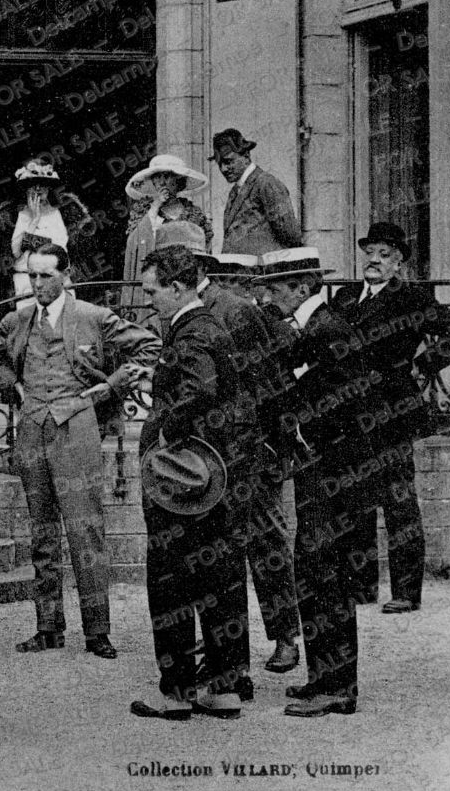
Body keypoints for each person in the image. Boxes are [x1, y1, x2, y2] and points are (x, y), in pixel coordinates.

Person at [0, 244, 159, 658]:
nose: (36, 284)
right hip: (32, 433)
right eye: (31, 276)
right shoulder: (19, 320)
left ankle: (97, 632)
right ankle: (48, 627)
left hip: (77, 429)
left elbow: (148, 346)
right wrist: (16, 387)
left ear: (66, 276)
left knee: (85, 531)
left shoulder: (92, 317)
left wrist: (110, 386)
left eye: (44, 276)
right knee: (41, 532)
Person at [156, 223, 303, 682]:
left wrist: (269, 441)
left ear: (194, 263)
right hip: (203, 459)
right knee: (212, 554)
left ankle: (284, 636)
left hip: (244, 450)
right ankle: (220, 656)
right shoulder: (176, 307)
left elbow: (271, 375)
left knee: (264, 541)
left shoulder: (234, 308)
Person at [128, 245, 256, 721]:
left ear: (177, 287)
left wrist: (166, 433)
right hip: (214, 476)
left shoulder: (193, 332)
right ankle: (222, 689)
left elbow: (199, 389)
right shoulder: (209, 327)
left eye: (152, 290)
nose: (148, 300)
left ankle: (177, 691)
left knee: (169, 580)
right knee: (218, 577)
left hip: (186, 481)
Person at [258, 247, 375, 718]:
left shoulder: (328, 330)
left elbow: (346, 404)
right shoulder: (315, 329)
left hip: (336, 470)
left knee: (326, 573)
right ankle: (322, 677)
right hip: (321, 468)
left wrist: (302, 430)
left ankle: (339, 687)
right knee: (313, 570)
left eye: (278, 288)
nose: (271, 297)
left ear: (303, 287)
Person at [328, 222, 450, 613]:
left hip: (393, 411)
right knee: (354, 498)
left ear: (398, 263)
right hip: (350, 412)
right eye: (370, 252)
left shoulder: (411, 297)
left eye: (385, 255)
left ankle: (405, 592)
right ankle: (361, 586)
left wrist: (424, 365)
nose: (375, 261)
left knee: (398, 499)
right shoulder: (347, 297)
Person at [0, 157, 95, 306]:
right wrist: (34, 220)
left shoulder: (61, 213)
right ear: (26, 188)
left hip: (58, 280)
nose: (38, 190)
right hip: (27, 282)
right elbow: (15, 252)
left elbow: (62, 250)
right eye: (33, 185)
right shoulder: (16, 215)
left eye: (43, 185)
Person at [121, 154, 212, 321]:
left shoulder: (194, 213)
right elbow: (135, 245)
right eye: (157, 177)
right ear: (153, 182)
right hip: (157, 281)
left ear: (178, 180)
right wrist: (155, 207)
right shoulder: (143, 212)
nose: (162, 182)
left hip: (187, 282)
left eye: (167, 176)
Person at [211, 128, 304, 257]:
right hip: (241, 274)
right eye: (219, 164)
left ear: (246, 155)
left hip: (263, 273)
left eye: (228, 161)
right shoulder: (235, 191)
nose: (223, 169)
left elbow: (291, 234)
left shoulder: (266, 184)